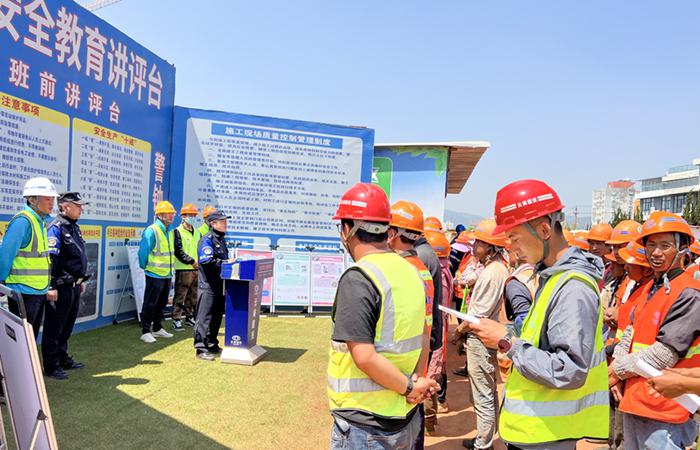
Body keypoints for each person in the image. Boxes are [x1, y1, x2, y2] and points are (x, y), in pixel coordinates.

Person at [470, 179, 609, 450]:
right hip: (537, 432)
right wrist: (507, 335)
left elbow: (569, 370)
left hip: (548, 436)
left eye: (514, 237)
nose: (511, 246)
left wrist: (508, 343)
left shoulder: (572, 287)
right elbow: (540, 340)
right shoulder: (552, 278)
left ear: (544, 229)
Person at [328, 183, 438, 450]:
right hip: (404, 416)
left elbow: (364, 356)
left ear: (347, 229)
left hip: (365, 423)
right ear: (387, 230)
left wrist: (409, 388)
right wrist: (414, 385)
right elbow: (424, 335)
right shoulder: (412, 272)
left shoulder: (359, 277)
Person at [610, 211, 700, 449]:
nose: (656, 253)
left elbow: (664, 354)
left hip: (667, 407)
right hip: (637, 399)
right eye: (651, 245)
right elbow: (629, 332)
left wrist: (616, 371)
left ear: (682, 249)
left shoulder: (689, 293)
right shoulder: (651, 287)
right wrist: (617, 368)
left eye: (665, 245)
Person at [454, 219, 509, 450]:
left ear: (491, 247)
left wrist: (459, 331)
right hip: (483, 337)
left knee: (482, 394)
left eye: (479, 242)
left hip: (480, 338)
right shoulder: (493, 269)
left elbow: (477, 315)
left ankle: (483, 444)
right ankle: (484, 439)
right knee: (485, 391)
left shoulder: (493, 272)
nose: (474, 246)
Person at [387, 200, 437, 434]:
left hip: (396, 367)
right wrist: (422, 375)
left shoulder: (397, 270)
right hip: (417, 365)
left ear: (392, 233)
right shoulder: (421, 269)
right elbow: (426, 329)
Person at [0, 177, 57, 339]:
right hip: (23, 293)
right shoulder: (23, 221)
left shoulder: (40, 222)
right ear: (32, 200)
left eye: (52, 198)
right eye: (47, 198)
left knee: (30, 339)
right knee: (23, 341)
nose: (52, 202)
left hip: (36, 292)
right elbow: (6, 255)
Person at [42, 192, 90, 380]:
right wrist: (51, 286)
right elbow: (50, 260)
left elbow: (76, 257)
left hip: (74, 286)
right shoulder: (56, 227)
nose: (81, 209)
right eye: (77, 206)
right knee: (54, 327)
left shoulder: (73, 227)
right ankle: (51, 365)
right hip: (60, 287)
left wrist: (80, 281)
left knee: (67, 325)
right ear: (65, 206)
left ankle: (62, 358)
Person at [193, 210, 231, 361]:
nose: (225, 224)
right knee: (204, 318)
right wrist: (226, 263)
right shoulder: (207, 239)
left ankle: (212, 344)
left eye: (225, 221)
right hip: (208, 286)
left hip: (220, 285)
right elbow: (207, 261)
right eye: (222, 221)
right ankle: (200, 348)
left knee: (216, 317)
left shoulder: (221, 239)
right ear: (213, 224)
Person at [138, 201, 176, 343]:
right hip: (154, 273)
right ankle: (145, 331)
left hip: (167, 273)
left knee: (162, 303)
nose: (172, 215)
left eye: (172, 213)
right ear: (160, 215)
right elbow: (143, 252)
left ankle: (158, 328)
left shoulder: (170, 231)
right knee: (150, 303)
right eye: (168, 213)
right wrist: (146, 267)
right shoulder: (152, 230)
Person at [425, 229, 454, 414]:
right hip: (441, 324)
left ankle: (437, 406)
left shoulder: (439, 274)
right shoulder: (445, 269)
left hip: (437, 325)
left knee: (434, 367)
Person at [172, 203, 201, 331]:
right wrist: (191, 261)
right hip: (183, 268)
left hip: (196, 269)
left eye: (194, 215)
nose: (192, 218)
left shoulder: (197, 232)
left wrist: (198, 263)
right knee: (180, 295)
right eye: (190, 215)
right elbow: (178, 251)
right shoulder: (177, 231)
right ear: (183, 216)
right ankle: (176, 319)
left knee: (193, 296)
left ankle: (189, 317)